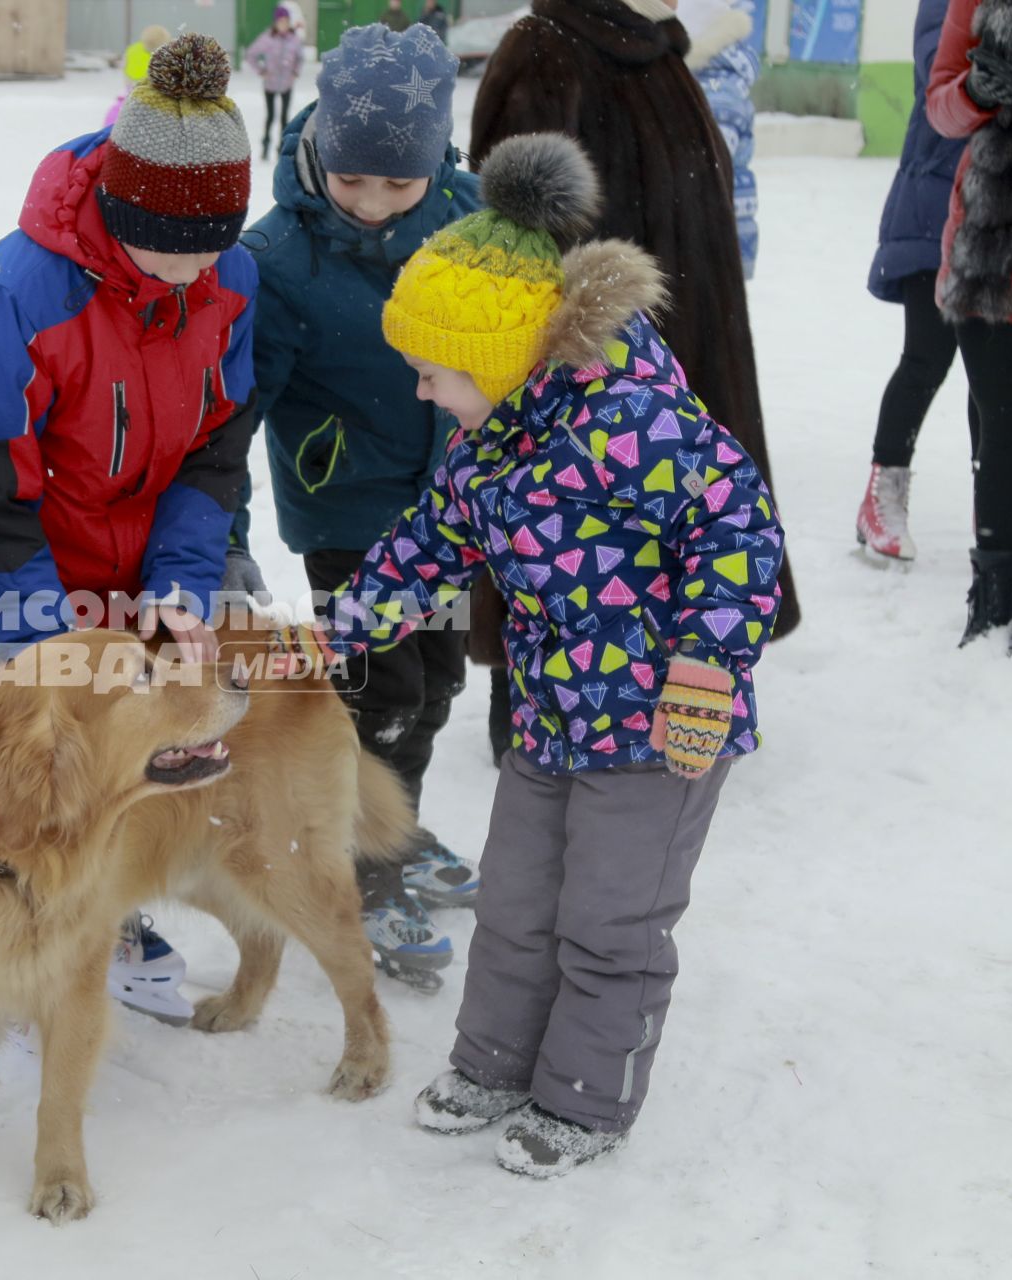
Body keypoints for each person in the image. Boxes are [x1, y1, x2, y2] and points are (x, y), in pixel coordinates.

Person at [289, 133, 783, 1177]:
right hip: (554, 718)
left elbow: (740, 528)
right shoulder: (490, 445)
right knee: (517, 904)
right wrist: (335, 628)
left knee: (611, 921)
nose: (422, 392)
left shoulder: (638, 424)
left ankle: (586, 1097)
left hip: (660, 727)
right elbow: (425, 545)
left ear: (501, 356)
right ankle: (495, 1060)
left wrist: (707, 662)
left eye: (433, 373)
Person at [0, 33, 258, 1024]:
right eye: (173, 247)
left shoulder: (229, 279)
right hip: (27, 565)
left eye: (215, 243)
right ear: (121, 213)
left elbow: (214, 453)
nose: (192, 269)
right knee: (46, 765)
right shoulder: (25, 289)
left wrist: (179, 588)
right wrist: (56, 646)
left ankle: (106, 911)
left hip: (144, 565)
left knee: (138, 755)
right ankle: (28, 946)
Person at [466, 0, 800, 768]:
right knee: (564, 532)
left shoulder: (658, 54)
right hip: (584, 377)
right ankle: (523, 695)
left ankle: (679, 685)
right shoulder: (543, 50)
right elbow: (512, 232)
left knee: (685, 525)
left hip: (691, 363)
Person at [228, 21, 481, 984]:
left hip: (453, 508)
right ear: (322, 148)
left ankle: (391, 825)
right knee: (384, 691)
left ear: (438, 160)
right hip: (348, 514)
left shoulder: (471, 220)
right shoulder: (280, 259)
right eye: (353, 179)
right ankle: (360, 868)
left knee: (443, 680)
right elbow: (235, 414)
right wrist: (229, 539)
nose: (372, 203)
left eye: (398, 183)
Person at [928, 0, 1012, 652]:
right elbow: (939, 108)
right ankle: (993, 590)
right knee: (1004, 424)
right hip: (992, 251)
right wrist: (974, 91)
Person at [859, 0, 973, 563]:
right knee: (927, 355)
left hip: (1007, 210)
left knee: (998, 378)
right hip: (937, 205)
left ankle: (996, 505)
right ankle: (883, 495)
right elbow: (940, 70)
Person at [679, 0, 758, 278]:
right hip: (713, 239)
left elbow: (706, 172)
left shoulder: (717, 91)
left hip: (709, 244)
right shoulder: (708, 80)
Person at [245, 3, 303, 161]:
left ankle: (281, 148)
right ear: (276, 22)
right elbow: (250, 54)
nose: (283, 25)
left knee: (284, 117)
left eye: (286, 21)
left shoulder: (294, 39)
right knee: (270, 116)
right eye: (280, 21)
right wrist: (261, 71)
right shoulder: (267, 38)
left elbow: (300, 57)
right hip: (270, 83)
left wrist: (295, 72)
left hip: (286, 84)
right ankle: (265, 147)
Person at [104, 22, 169, 127]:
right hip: (151, 89)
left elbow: (125, 65)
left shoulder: (133, 49)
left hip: (131, 86)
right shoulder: (164, 55)